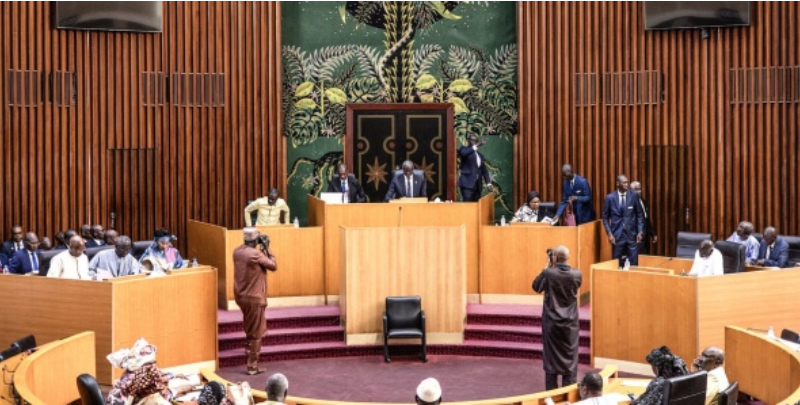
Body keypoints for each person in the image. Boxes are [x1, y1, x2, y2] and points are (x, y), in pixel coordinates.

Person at [532, 245, 582, 390]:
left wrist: (547, 266)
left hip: (552, 322)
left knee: (551, 359)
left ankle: (551, 396)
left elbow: (536, 286)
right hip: (570, 323)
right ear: (568, 257)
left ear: (554, 257)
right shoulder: (577, 274)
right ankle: (568, 394)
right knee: (570, 358)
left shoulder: (549, 273)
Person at [234, 227, 277, 375]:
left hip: (241, 296)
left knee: (250, 324)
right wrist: (267, 248)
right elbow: (273, 266)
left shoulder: (237, 251)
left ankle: (248, 349)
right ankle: (252, 365)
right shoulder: (256, 254)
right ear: (255, 240)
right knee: (257, 332)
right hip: (254, 298)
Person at [106, 338, 194, 404]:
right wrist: (178, 389)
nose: (154, 368)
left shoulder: (132, 376)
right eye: (151, 364)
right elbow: (156, 398)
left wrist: (176, 382)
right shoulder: (140, 381)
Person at [602, 175, 644, 266]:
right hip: (617, 235)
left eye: (627, 182)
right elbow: (605, 218)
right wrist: (609, 234)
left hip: (631, 234)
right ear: (617, 183)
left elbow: (640, 214)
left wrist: (640, 231)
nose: (627, 184)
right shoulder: (610, 198)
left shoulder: (633, 195)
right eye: (624, 182)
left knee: (633, 263)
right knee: (616, 263)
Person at [458, 134, 493, 202]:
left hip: (477, 185)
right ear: (468, 140)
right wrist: (477, 145)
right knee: (467, 207)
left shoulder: (480, 156)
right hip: (467, 184)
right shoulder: (463, 149)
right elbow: (463, 154)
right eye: (472, 140)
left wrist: (488, 183)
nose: (474, 142)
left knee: (476, 207)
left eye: (476, 140)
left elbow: (484, 171)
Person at [630, 181, 657, 254]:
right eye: (636, 189)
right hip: (636, 236)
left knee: (646, 256)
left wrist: (653, 233)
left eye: (640, 189)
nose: (639, 191)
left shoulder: (643, 201)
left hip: (645, 234)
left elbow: (646, 219)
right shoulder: (628, 203)